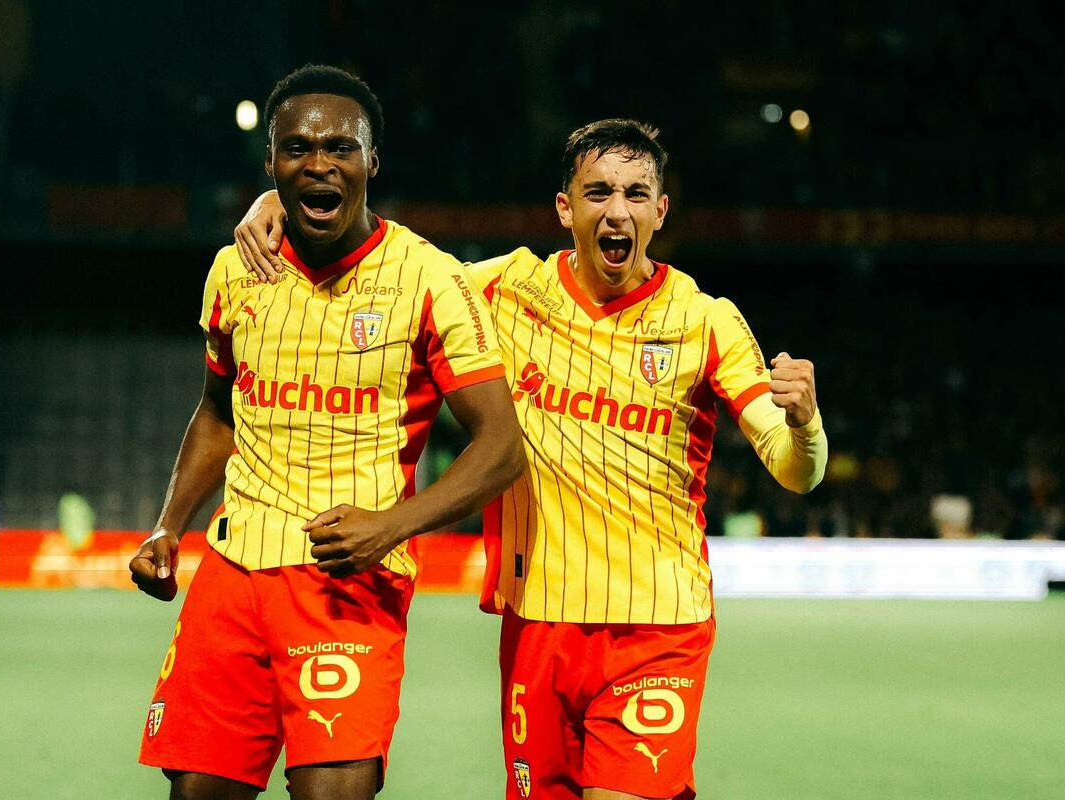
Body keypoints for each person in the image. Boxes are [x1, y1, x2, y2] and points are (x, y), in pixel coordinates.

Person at [235, 119, 827, 799]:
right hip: (536, 624)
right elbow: (388, 272)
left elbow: (795, 469)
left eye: (636, 194)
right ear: (565, 208)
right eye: (598, 192)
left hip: (657, 628)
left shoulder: (707, 320)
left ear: (660, 212)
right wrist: (287, 203)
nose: (617, 211)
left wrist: (804, 423)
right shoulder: (506, 289)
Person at [128, 64, 522, 800]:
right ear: (271, 164)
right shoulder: (235, 271)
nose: (320, 164)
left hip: (349, 581)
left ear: (373, 161)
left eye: (341, 148)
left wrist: (392, 526)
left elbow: (501, 447)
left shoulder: (430, 279)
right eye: (298, 149)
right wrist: (168, 525)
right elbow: (218, 411)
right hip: (232, 575)